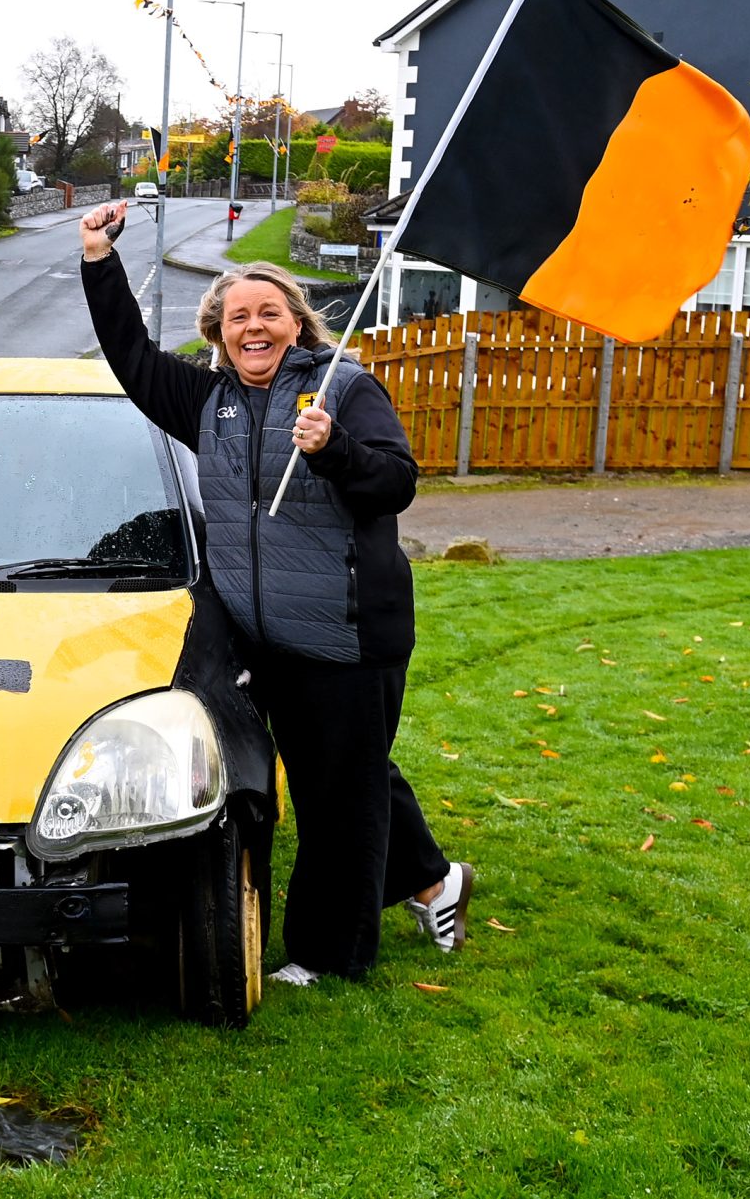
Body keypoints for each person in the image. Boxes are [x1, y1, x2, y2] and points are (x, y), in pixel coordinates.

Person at [78, 200, 471, 985]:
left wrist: (334, 449)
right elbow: (131, 356)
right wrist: (98, 259)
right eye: (237, 316)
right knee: (348, 769)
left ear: (296, 322)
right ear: (219, 330)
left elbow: (396, 482)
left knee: (338, 796)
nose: (252, 326)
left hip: (347, 632)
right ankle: (434, 879)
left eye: (268, 312)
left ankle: (330, 954)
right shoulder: (210, 402)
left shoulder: (342, 388)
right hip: (268, 638)